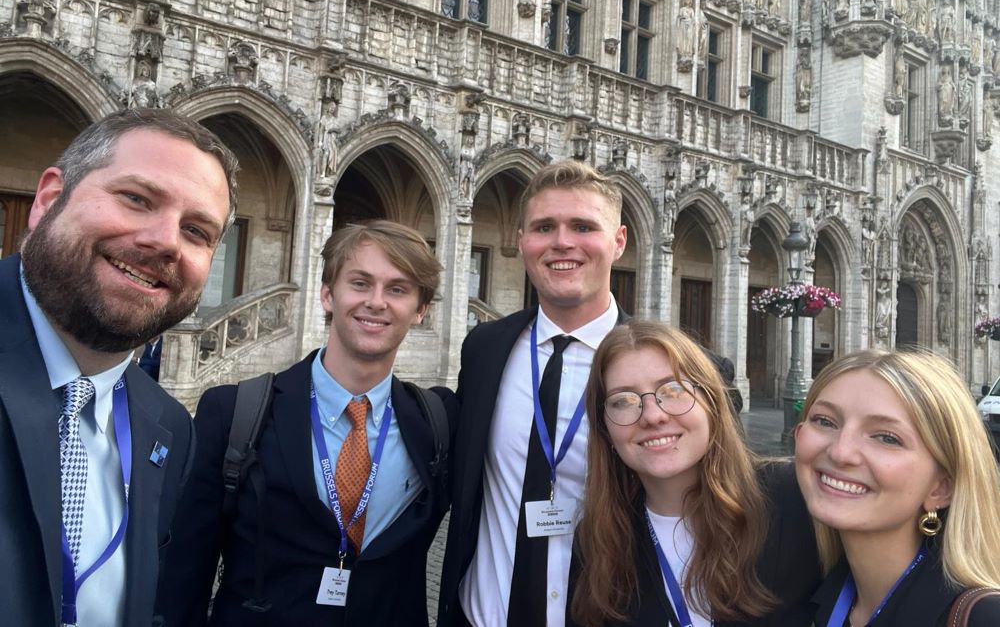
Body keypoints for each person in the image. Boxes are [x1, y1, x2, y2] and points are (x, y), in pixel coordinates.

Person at [0, 108, 238, 627]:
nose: (165, 241)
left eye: (196, 230)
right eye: (137, 199)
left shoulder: (169, 428)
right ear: (47, 198)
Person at [156, 220, 457, 626]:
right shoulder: (234, 413)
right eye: (360, 283)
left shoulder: (437, 421)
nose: (376, 301)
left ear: (420, 310)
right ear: (328, 294)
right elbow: (184, 576)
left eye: (398, 289)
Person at [438, 160, 628, 627]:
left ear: (618, 241)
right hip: (478, 615)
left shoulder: (659, 366)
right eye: (544, 227)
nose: (562, 242)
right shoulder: (484, 349)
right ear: (522, 240)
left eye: (583, 226)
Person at [569, 321, 820, 627]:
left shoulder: (794, 498)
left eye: (673, 390)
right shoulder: (598, 543)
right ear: (605, 427)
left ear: (712, 403)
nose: (652, 416)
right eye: (624, 401)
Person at [795, 349, 1000, 626]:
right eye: (825, 421)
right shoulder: (812, 592)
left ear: (941, 488)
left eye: (887, 438)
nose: (841, 452)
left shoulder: (982, 618)